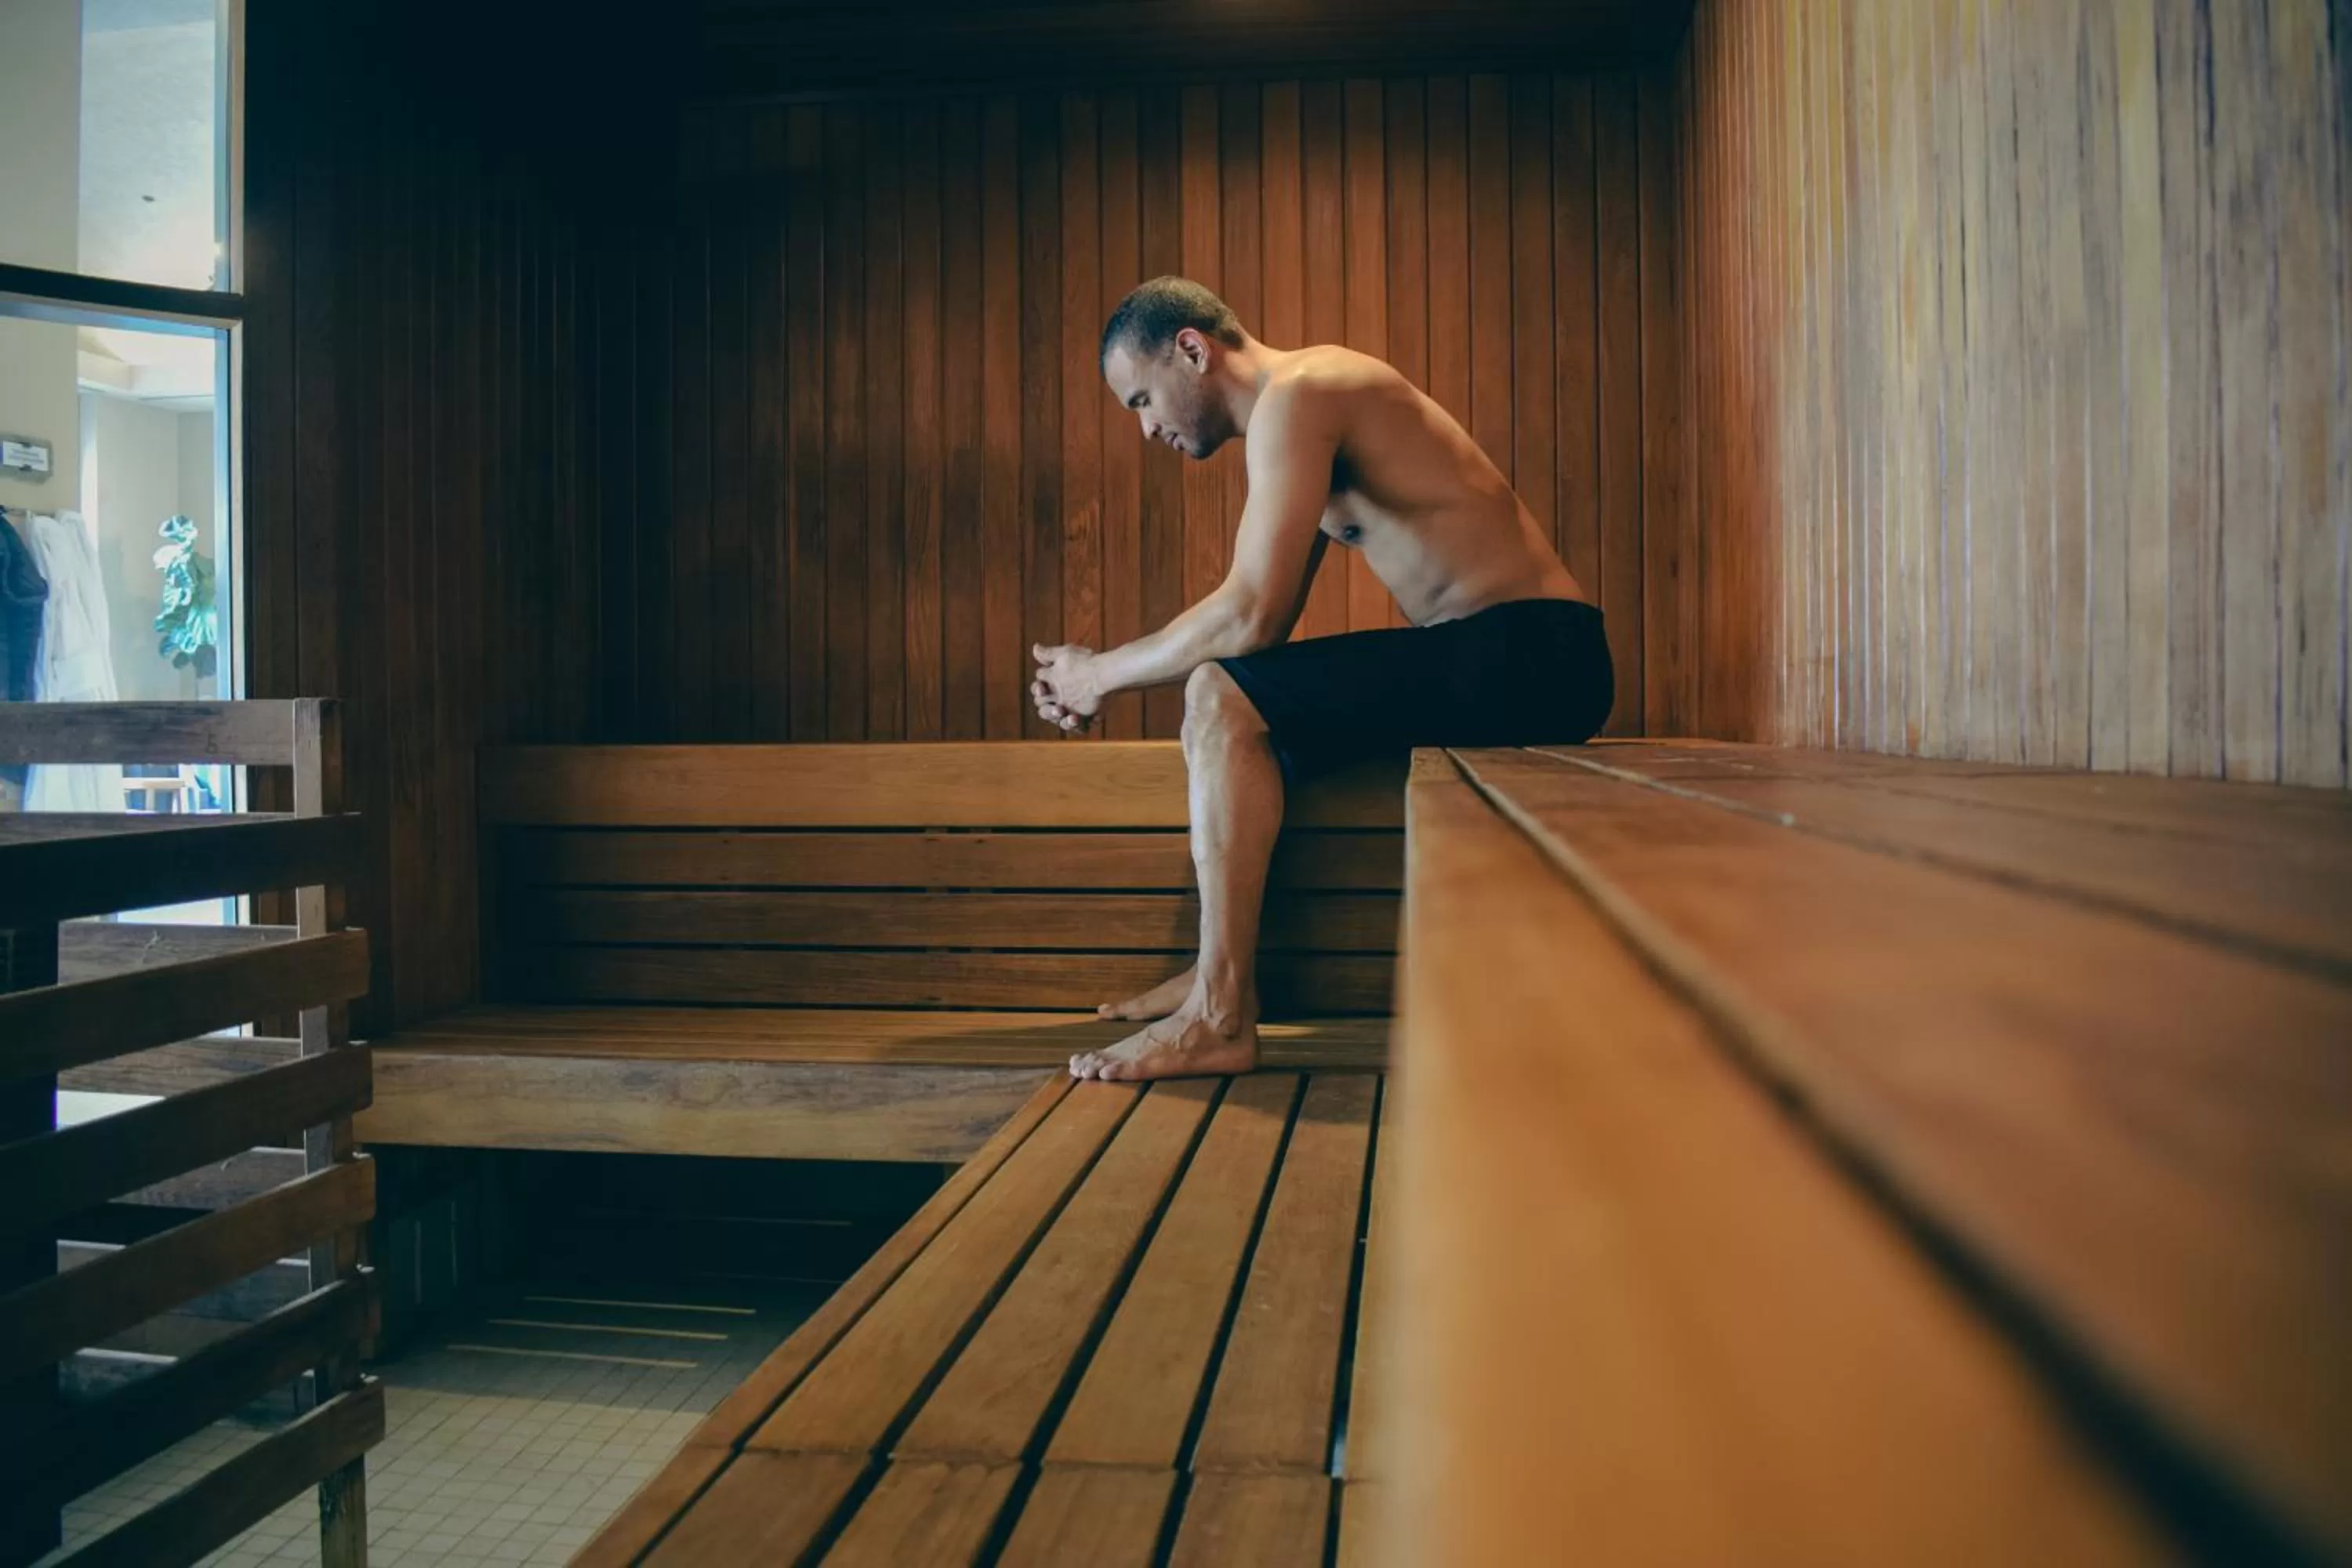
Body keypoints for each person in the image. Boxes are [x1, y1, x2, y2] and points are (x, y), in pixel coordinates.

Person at [1032, 275, 1613, 1082]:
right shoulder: (1293, 418)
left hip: (1535, 656)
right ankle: (1215, 972)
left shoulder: (1305, 391)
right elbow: (1261, 629)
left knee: (1217, 694)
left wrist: (1098, 674)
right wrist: (1106, 676)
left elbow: (1248, 618)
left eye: (1140, 399)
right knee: (1239, 712)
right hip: (1504, 657)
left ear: (1192, 350)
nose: (1146, 428)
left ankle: (1220, 1013)